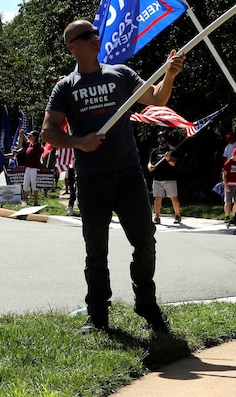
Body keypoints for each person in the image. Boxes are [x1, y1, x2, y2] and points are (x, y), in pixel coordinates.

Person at [42, 19, 185, 335]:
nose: (94, 37)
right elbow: (48, 132)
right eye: (86, 35)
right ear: (72, 47)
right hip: (92, 178)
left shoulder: (120, 74)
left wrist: (170, 74)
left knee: (145, 240)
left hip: (129, 174)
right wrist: (80, 142)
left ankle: (147, 305)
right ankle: (97, 316)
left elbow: (157, 99)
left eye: (95, 32)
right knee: (96, 250)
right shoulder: (65, 87)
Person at [149, 131, 181, 225]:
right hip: (157, 178)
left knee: (173, 198)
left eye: (162, 138)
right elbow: (150, 162)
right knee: (157, 198)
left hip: (169, 179)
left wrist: (168, 159)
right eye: (159, 138)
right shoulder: (155, 151)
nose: (160, 140)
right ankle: (157, 217)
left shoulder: (172, 150)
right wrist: (150, 166)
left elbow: (173, 163)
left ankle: (177, 215)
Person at [16, 130, 44, 206]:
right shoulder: (30, 144)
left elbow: (44, 151)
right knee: (25, 184)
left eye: (31, 135)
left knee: (34, 185)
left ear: (35, 137)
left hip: (34, 168)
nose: (29, 137)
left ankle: (36, 200)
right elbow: (26, 140)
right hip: (27, 167)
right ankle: (25, 199)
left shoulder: (39, 146)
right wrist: (22, 134)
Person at [221, 147, 236, 226]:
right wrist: (226, 185)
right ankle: (227, 216)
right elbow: (224, 175)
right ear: (233, 155)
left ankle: (234, 216)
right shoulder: (228, 163)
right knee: (228, 201)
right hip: (229, 184)